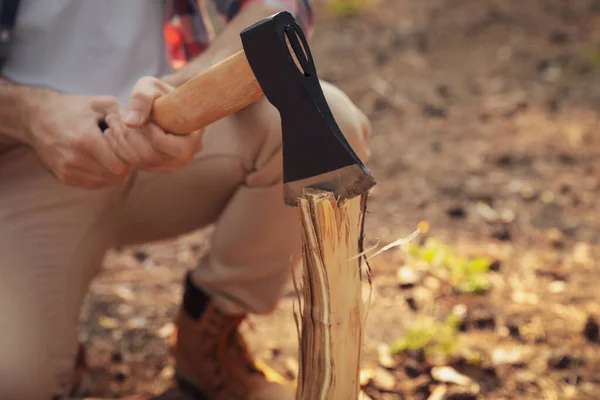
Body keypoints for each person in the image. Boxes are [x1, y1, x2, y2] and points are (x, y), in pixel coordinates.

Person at [0, 0, 372, 399]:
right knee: (16, 380)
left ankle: (209, 339)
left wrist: (188, 90)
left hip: (161, 123)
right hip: (22, 156)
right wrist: (30, 115)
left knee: (334, 121)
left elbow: (273, 7)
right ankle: (44, 336)